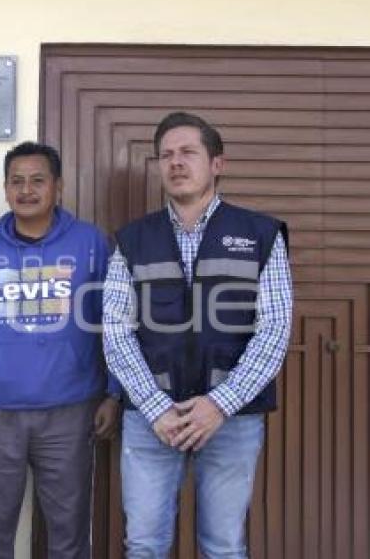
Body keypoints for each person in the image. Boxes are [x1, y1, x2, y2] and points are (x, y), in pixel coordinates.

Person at [103, 111, 293, 558]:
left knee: (224, 546)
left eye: (188, 152)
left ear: (216, 164)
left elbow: (274, 327)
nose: (176, 162)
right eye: (166, 155)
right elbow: (115, 329)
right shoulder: (133, 239)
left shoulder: (260, 234)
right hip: (152, 419)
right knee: (145, 545)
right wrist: (154, 407)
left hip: (232, 418)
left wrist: (219, 404)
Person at [0, 141, 122, 559]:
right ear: (5, 189)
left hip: (71, 413)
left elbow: (114, 325)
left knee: (69, 531)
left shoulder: (91, 243)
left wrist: (114, 394)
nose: (26, 190)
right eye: (16, 181)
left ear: (57, 187)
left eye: (37, 180)